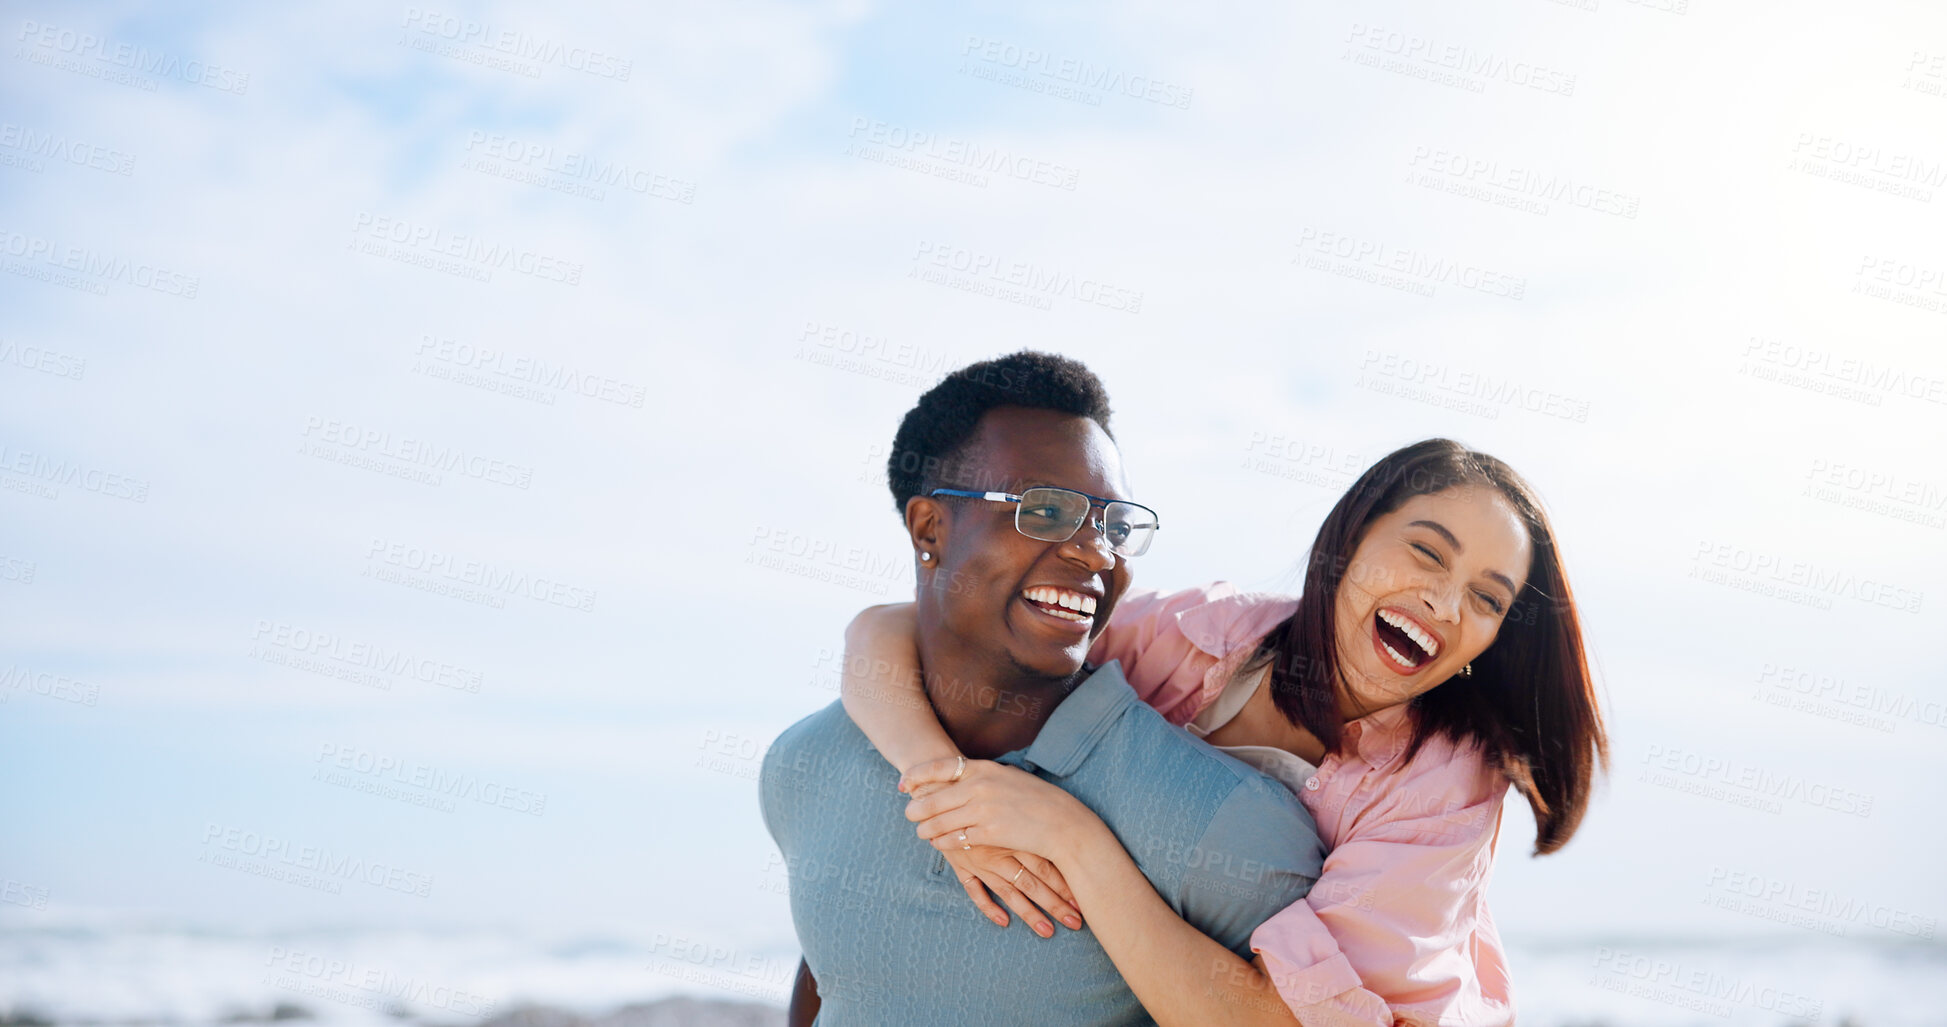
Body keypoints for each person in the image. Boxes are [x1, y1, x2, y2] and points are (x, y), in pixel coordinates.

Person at [843, 438, 1610, 1026]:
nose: (1444, 603)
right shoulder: (1200, 634)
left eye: (1484, 598)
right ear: (1350, 535)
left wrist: (1075, 842)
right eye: (1424, 552)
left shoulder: (1442, 784)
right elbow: (895, 631)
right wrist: (942, 793)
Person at [759, 351, 1330, 1027]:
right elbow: (833, 970)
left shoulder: (1229, 827)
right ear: (929, 530)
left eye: (1113, 524)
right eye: (1047, 510)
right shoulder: (806, 763)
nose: (1096, 552)